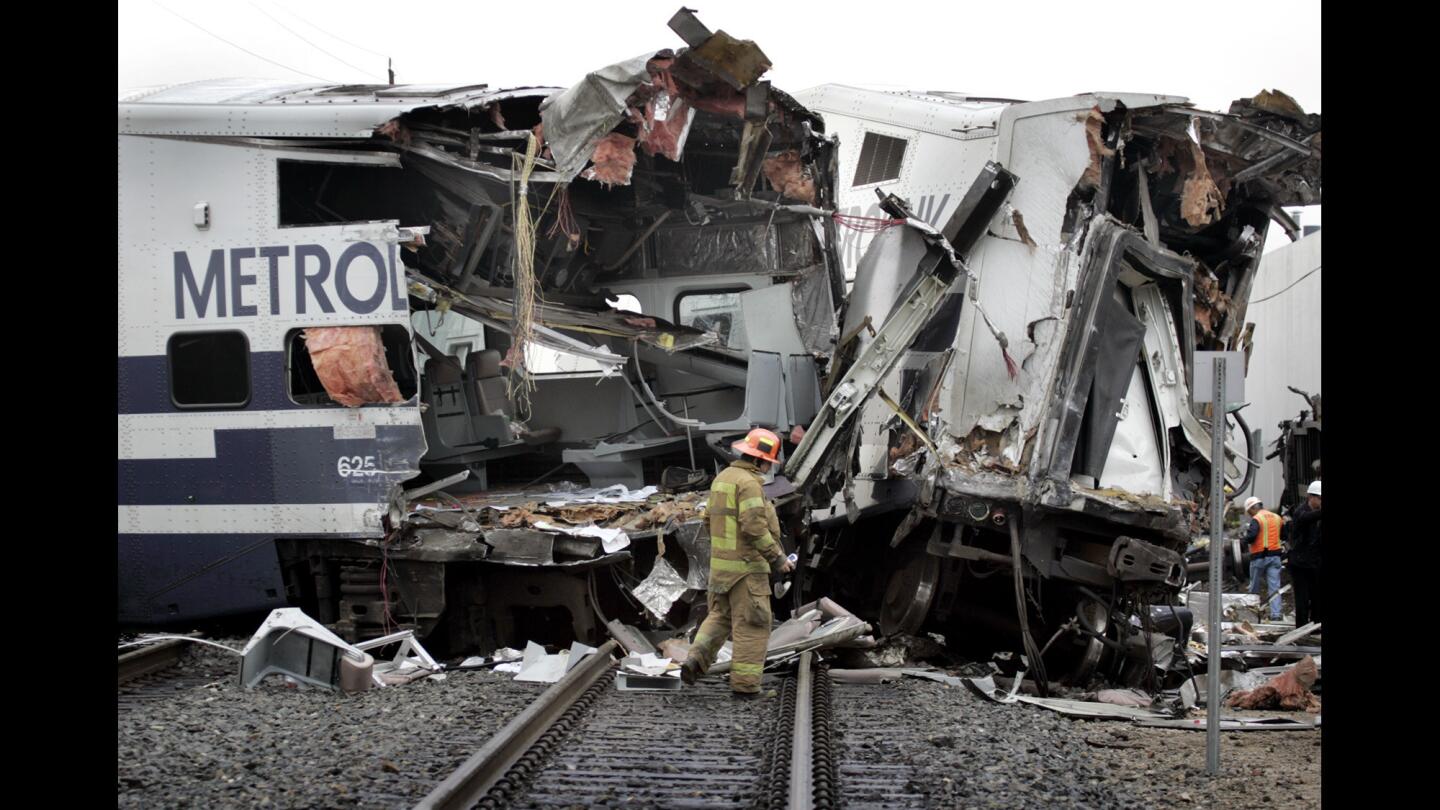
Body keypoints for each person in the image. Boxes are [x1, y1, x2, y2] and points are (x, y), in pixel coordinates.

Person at [681, 428, 794, 698]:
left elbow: (708, 521)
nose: (769, 468)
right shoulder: (749, 483)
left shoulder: (723, 479)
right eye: (769, 462)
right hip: (747, 571)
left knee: (719, 617)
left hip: (721, 570)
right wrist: (778, 559)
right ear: (759, 460)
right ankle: (745, 687)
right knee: (752, 625)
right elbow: (753, 526)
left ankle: (694, 660)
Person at [1283, 480, 1322, 626]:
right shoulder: (1301, 512)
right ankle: (1302, 627)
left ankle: (1316, 626)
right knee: (1302, 598)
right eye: (1320, 498)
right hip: (1299, 564)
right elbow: (1307, 519)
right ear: (1311, 497)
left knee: (1317, 597)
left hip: (1315, 563)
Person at [1241, 496, 1284, 621]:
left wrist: (1243, 540)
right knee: (1274, 587)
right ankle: (1276, 615)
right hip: (1275, 557)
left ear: (1253, 508)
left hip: (1259, 557)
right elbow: (1284, 535)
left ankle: (1252, 614)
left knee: (1254, 587)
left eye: (1249, 512)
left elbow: (1252, 536)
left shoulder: (1257, 519)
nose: (1250, 514)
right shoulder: (1277, 517)